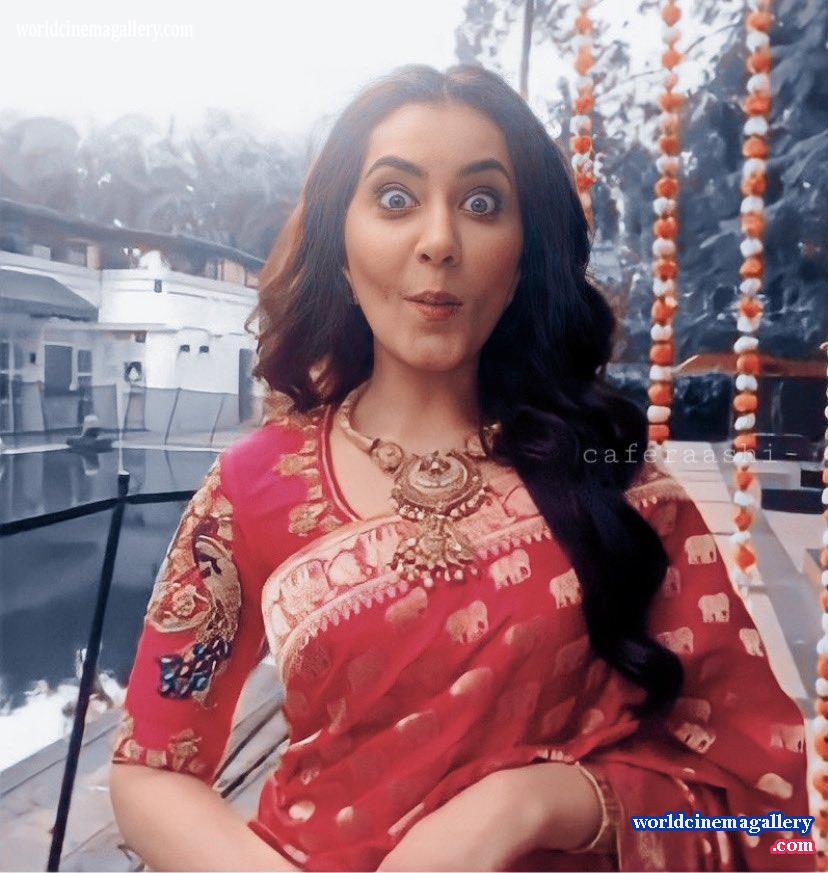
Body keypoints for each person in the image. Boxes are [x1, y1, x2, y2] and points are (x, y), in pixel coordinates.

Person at [108, 64, 814, 872]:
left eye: (482, 203)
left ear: (523, 258)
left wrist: (538, 803)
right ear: (341, 245)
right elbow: (151, 767)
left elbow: (776, 819)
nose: (439, 240)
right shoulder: (252, 486)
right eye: (395, 198)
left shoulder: (615, 486)